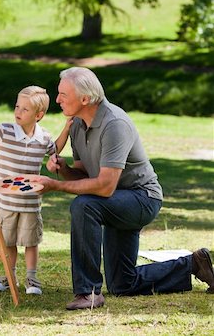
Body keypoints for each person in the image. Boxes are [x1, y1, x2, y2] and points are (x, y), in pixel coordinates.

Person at [34, 67, 214, 310]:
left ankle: (88, 292)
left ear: (85, 99)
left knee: (84, 205)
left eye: (63, 95)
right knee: (123, 284)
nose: (57, 100)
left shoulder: (114, 124)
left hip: (141, 199)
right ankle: (193, 264)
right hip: (116, 200)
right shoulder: (77, 125)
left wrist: (56, 186)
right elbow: (85, 174)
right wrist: (63, 169)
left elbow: (105, 187)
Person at [0, 85, 71, 295]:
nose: (18, 112)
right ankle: (9, 276)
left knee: (31, 242)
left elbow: (55, 149)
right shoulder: (4, 130)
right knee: (8, 243)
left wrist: (68, 127)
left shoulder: (43, 138)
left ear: (39, 115)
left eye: (25, 109)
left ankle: (32, 279)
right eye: (17, 106)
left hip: (30, 203)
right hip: (5, 202)